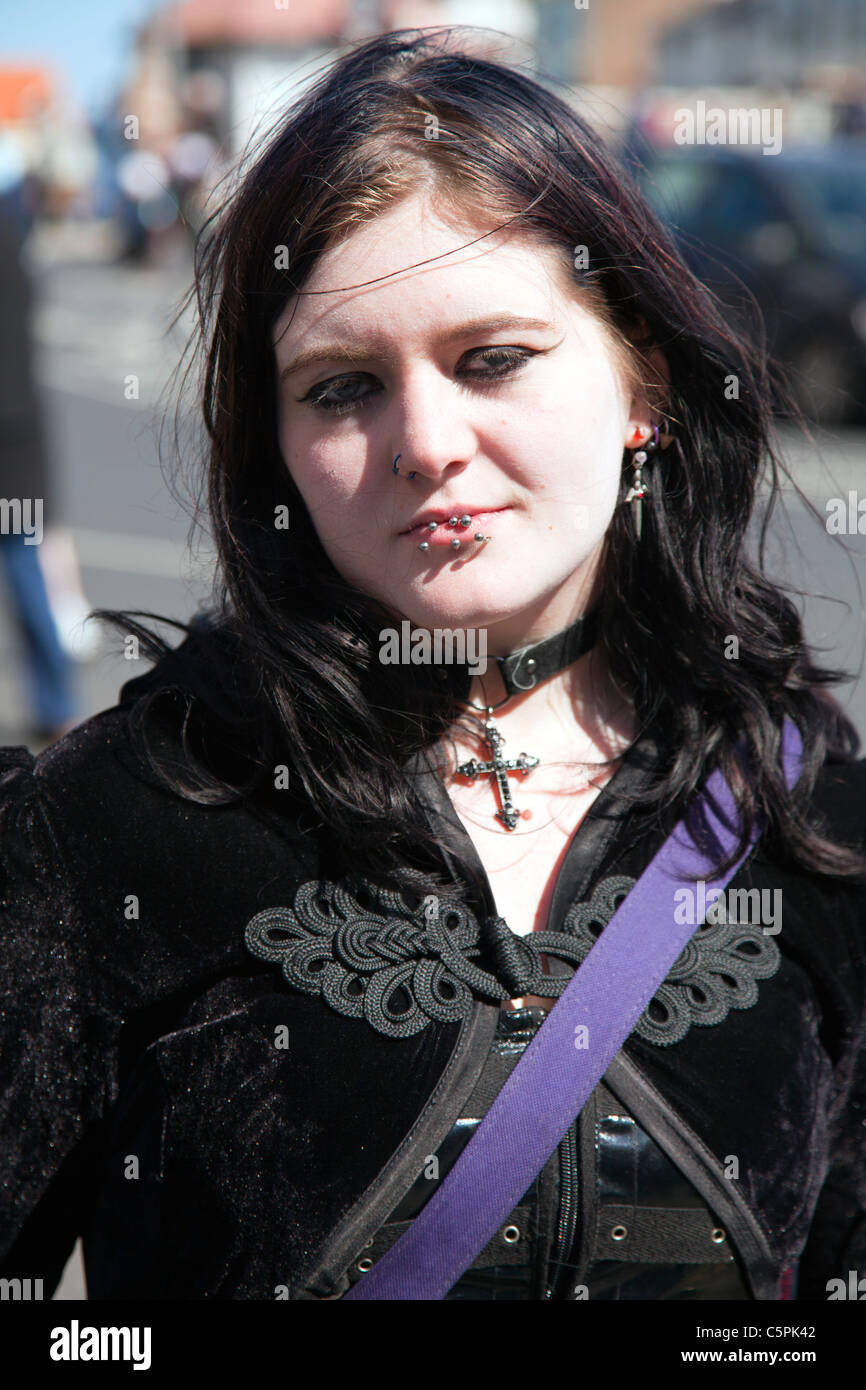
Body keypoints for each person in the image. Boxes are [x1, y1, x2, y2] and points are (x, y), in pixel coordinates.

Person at [1, 28, 864, 1303]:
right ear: (274, 449)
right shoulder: (115, 822)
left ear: (644, 384)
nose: (424, 442)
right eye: (341, 387)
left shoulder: (811, 812)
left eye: (491, 359)